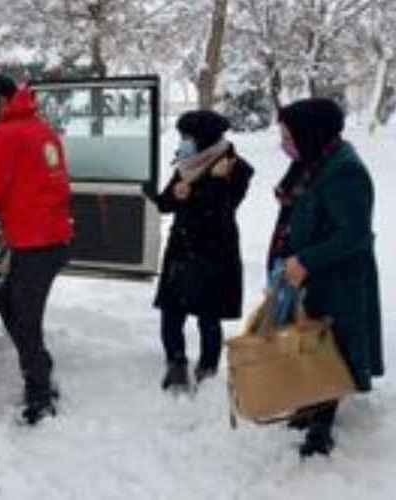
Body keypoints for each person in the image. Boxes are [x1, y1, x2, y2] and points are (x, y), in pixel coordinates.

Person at [270, 97, 383, 458]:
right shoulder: (316, 160)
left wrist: (306, 259)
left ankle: (320, 429)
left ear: (310, 134)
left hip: (337, 278)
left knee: (328, 346)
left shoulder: (344, 170)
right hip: (310, 275)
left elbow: (354, 234)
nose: (284, 144)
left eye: (289, 136)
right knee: (308, 338)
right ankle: (309, 407)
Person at [0, 74, 73, 425]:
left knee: (23, 317)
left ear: (3, 102)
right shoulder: (41, 129)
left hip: (37, 242)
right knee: (11, 304)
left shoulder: (8, 134)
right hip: (50, 237)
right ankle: (40, 370)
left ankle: (40, 395)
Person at [153, 110, 254, 391]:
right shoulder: (188, 164)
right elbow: (163, 203)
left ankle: (208, 368)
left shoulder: (237, 168)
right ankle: (176, 362)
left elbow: (222, 210)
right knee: (172, 310)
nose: (183, 142)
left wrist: (203, 188)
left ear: (205, 137)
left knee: (209, 313)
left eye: (187, 136)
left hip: (215, 250)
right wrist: (176, 194)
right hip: (182, 248)